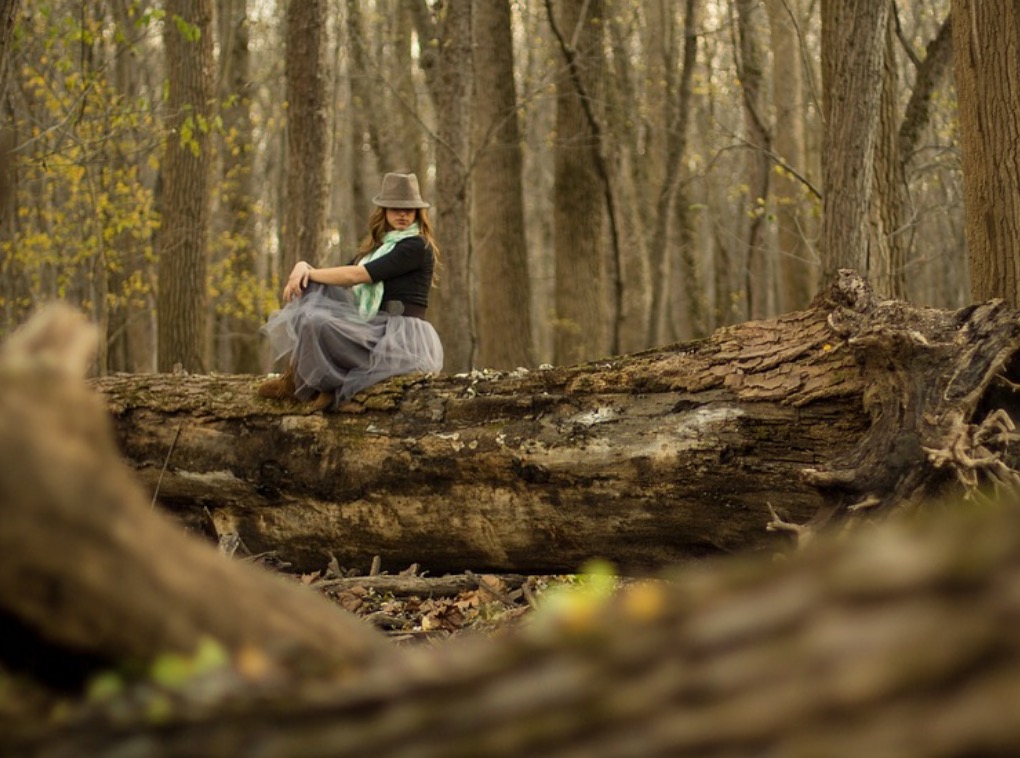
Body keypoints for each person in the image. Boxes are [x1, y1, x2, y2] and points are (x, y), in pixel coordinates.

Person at [258, 172, 443, 410]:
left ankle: (322, 384)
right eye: (396, 208)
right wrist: (303, 267)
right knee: (313, 291)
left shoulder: (417, 246)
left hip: (401, 337)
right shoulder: (379, 247)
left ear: (418, 213)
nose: (403, 214)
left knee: (317, 315)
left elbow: (357, 275)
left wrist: (306, 271)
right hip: (375, 326)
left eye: (409, 209)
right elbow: (341, 274)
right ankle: (297, 380)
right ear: (384, 211)